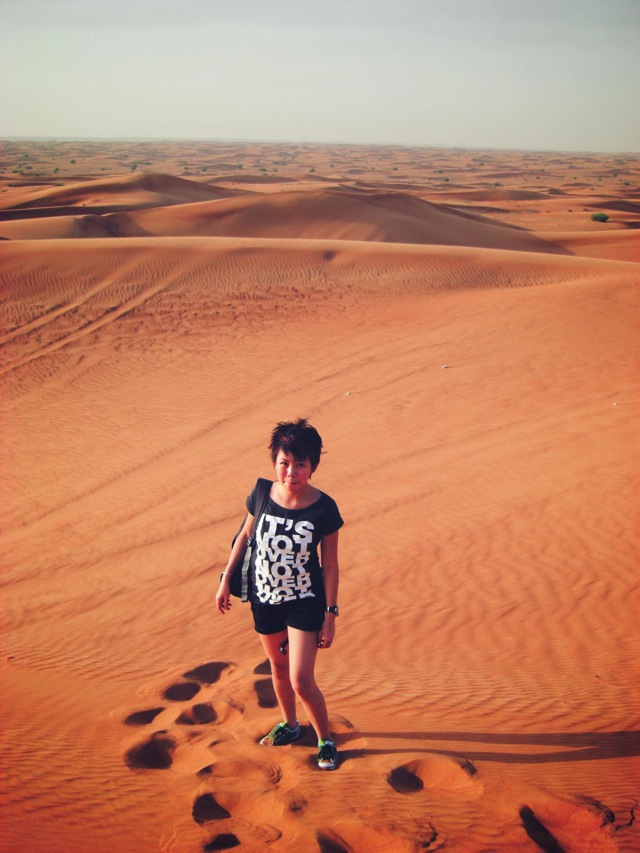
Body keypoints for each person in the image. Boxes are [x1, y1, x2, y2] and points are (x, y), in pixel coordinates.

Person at [215, 419, 344, 771]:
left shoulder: (324, 508)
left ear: (313, 466)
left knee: (301, 679)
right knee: (278, 667)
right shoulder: (260, 494)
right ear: (274, 462)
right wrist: (226, 579)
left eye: (300, 464)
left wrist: (330, 614)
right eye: (285, 462)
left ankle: (326, 740)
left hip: (305, 602)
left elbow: (330, 565)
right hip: (264, 599)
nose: (291, 472)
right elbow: (243, 537)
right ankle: (290, 725)